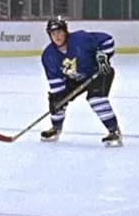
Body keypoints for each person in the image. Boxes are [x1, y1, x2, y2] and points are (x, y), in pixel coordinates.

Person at [40, 17, 122, 146]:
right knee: (57, 101)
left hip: (99, 73)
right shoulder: (49, 55)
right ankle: (56, 128)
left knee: (95, 99)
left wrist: (103, 56)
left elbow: (107, 39)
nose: (57, 36)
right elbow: (56, 81)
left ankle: (114, 131)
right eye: (53, 33)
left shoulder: (80, 39)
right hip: (75, 78)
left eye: (59, 32)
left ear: (65, 32)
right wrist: (58, 99)